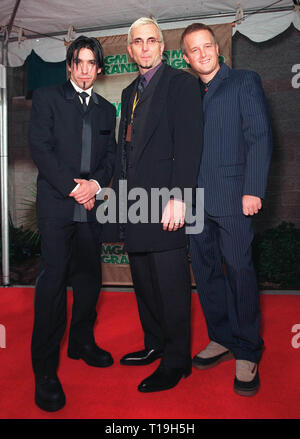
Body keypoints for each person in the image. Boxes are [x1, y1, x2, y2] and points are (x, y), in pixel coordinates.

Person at [104, 17, 203, 393]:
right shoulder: (129, 91)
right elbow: (125, 151)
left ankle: (177, 362)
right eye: (138, 42)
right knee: (144, 282)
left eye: (152, 41)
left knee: (171, 286)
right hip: (133, 204)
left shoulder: (181, 84)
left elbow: (190, 146)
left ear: (163, 47)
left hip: (166, 202)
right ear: (129, 51)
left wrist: (180, 198)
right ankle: (155, 344)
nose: (145, 47)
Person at [180, 23, 273, 396]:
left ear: (217, 48)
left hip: (235, 199)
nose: (202, 54)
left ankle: (248, 350)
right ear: (185, 58)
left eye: (207, 46)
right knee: (205, 274)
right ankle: (220, 337)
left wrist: (253, 189)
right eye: (194, 50)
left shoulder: (244, 81)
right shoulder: (187, 92)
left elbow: (259, 136)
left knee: (239, 272)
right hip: (195, 203)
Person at [29, 35, 116, 411]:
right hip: (56, 205)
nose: (84, 69)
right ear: (69, 66)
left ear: (99, 68)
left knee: (88, 279)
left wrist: (95, 185)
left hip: (91, 206)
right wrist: (72, 187)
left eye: (91, 63)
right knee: (52, 286)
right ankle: (45, 371)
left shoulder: (105, 110)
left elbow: (111, 157)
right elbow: (40, 148)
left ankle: (81, 342)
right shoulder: (47, 98)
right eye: (77, 62)